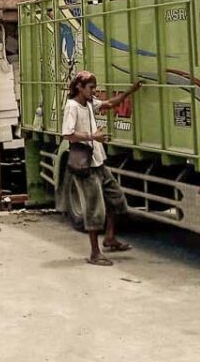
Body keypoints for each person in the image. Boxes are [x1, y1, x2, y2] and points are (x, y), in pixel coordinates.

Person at [61, 70, 143, 266]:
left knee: (115, 199)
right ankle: (94, 253)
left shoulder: (88, 104)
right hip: (86, 164)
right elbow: (67, 134)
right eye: (91, 88)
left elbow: (109, 104)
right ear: (80, 87)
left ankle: (109, 237)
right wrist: (92, 137)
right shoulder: (72, 107)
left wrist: (129, 92)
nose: (94, 91)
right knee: (94, 209)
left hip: (98, 161)